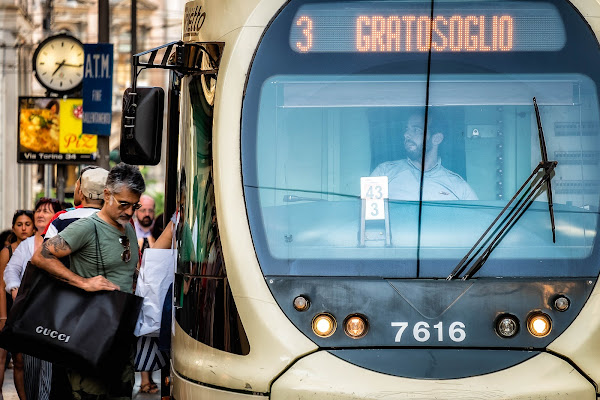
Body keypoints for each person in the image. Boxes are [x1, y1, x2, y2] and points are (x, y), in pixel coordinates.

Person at [31, 163, 145, 400]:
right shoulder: (87, 226)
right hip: (90, 337)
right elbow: (41, 257)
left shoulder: (129, 229)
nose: (130, 211)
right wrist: (83, 282)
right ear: (106, 194)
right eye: (123, 204)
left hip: (121, 337)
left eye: (135, 205)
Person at [4, 198, 62, 400]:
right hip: (28, 313)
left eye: (46, 211)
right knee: (29, 364)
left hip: (53, 314)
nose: (40, 214)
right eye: (38, 210)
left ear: (56, 216)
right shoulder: (27, 244)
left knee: (47, 363)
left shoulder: (63, 242)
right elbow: (11, 270)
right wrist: (14, 289)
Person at [371, 112, 478, 201]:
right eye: (407, 129)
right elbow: (364, 215)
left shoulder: (458, 186)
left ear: (437, 139)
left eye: (416, 130)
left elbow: (477, 221)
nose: (406, 135)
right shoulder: (384, 173)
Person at [0, 210, 35, 400]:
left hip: (34, 310)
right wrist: (4, 316)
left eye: (27, 224)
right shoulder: (8, 252)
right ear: (13, 227)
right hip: (13, 310)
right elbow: (1, 286)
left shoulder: (40, 247)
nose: (23, 228)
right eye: (19, 224)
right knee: (18, 359)